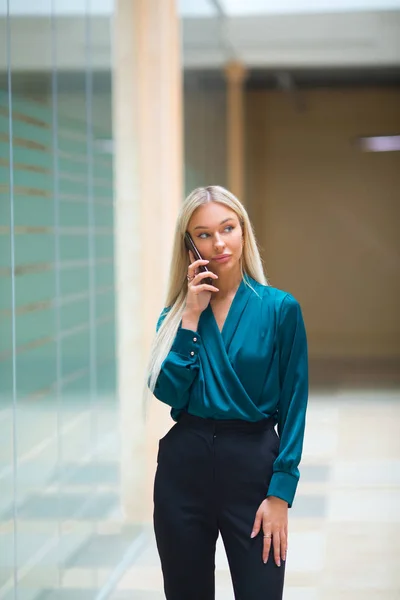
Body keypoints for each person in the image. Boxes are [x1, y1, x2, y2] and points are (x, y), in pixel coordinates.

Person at [146, 185, 308, 600]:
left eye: (227, 228)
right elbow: (169, 393)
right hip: (184, 471)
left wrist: (281, 492)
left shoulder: (279, 309)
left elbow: (294, 402)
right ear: (188, 245)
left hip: (252, 469)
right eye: (202, 234)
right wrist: (191, 317)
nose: (218, 243)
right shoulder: (178, 314)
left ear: (243, 231)